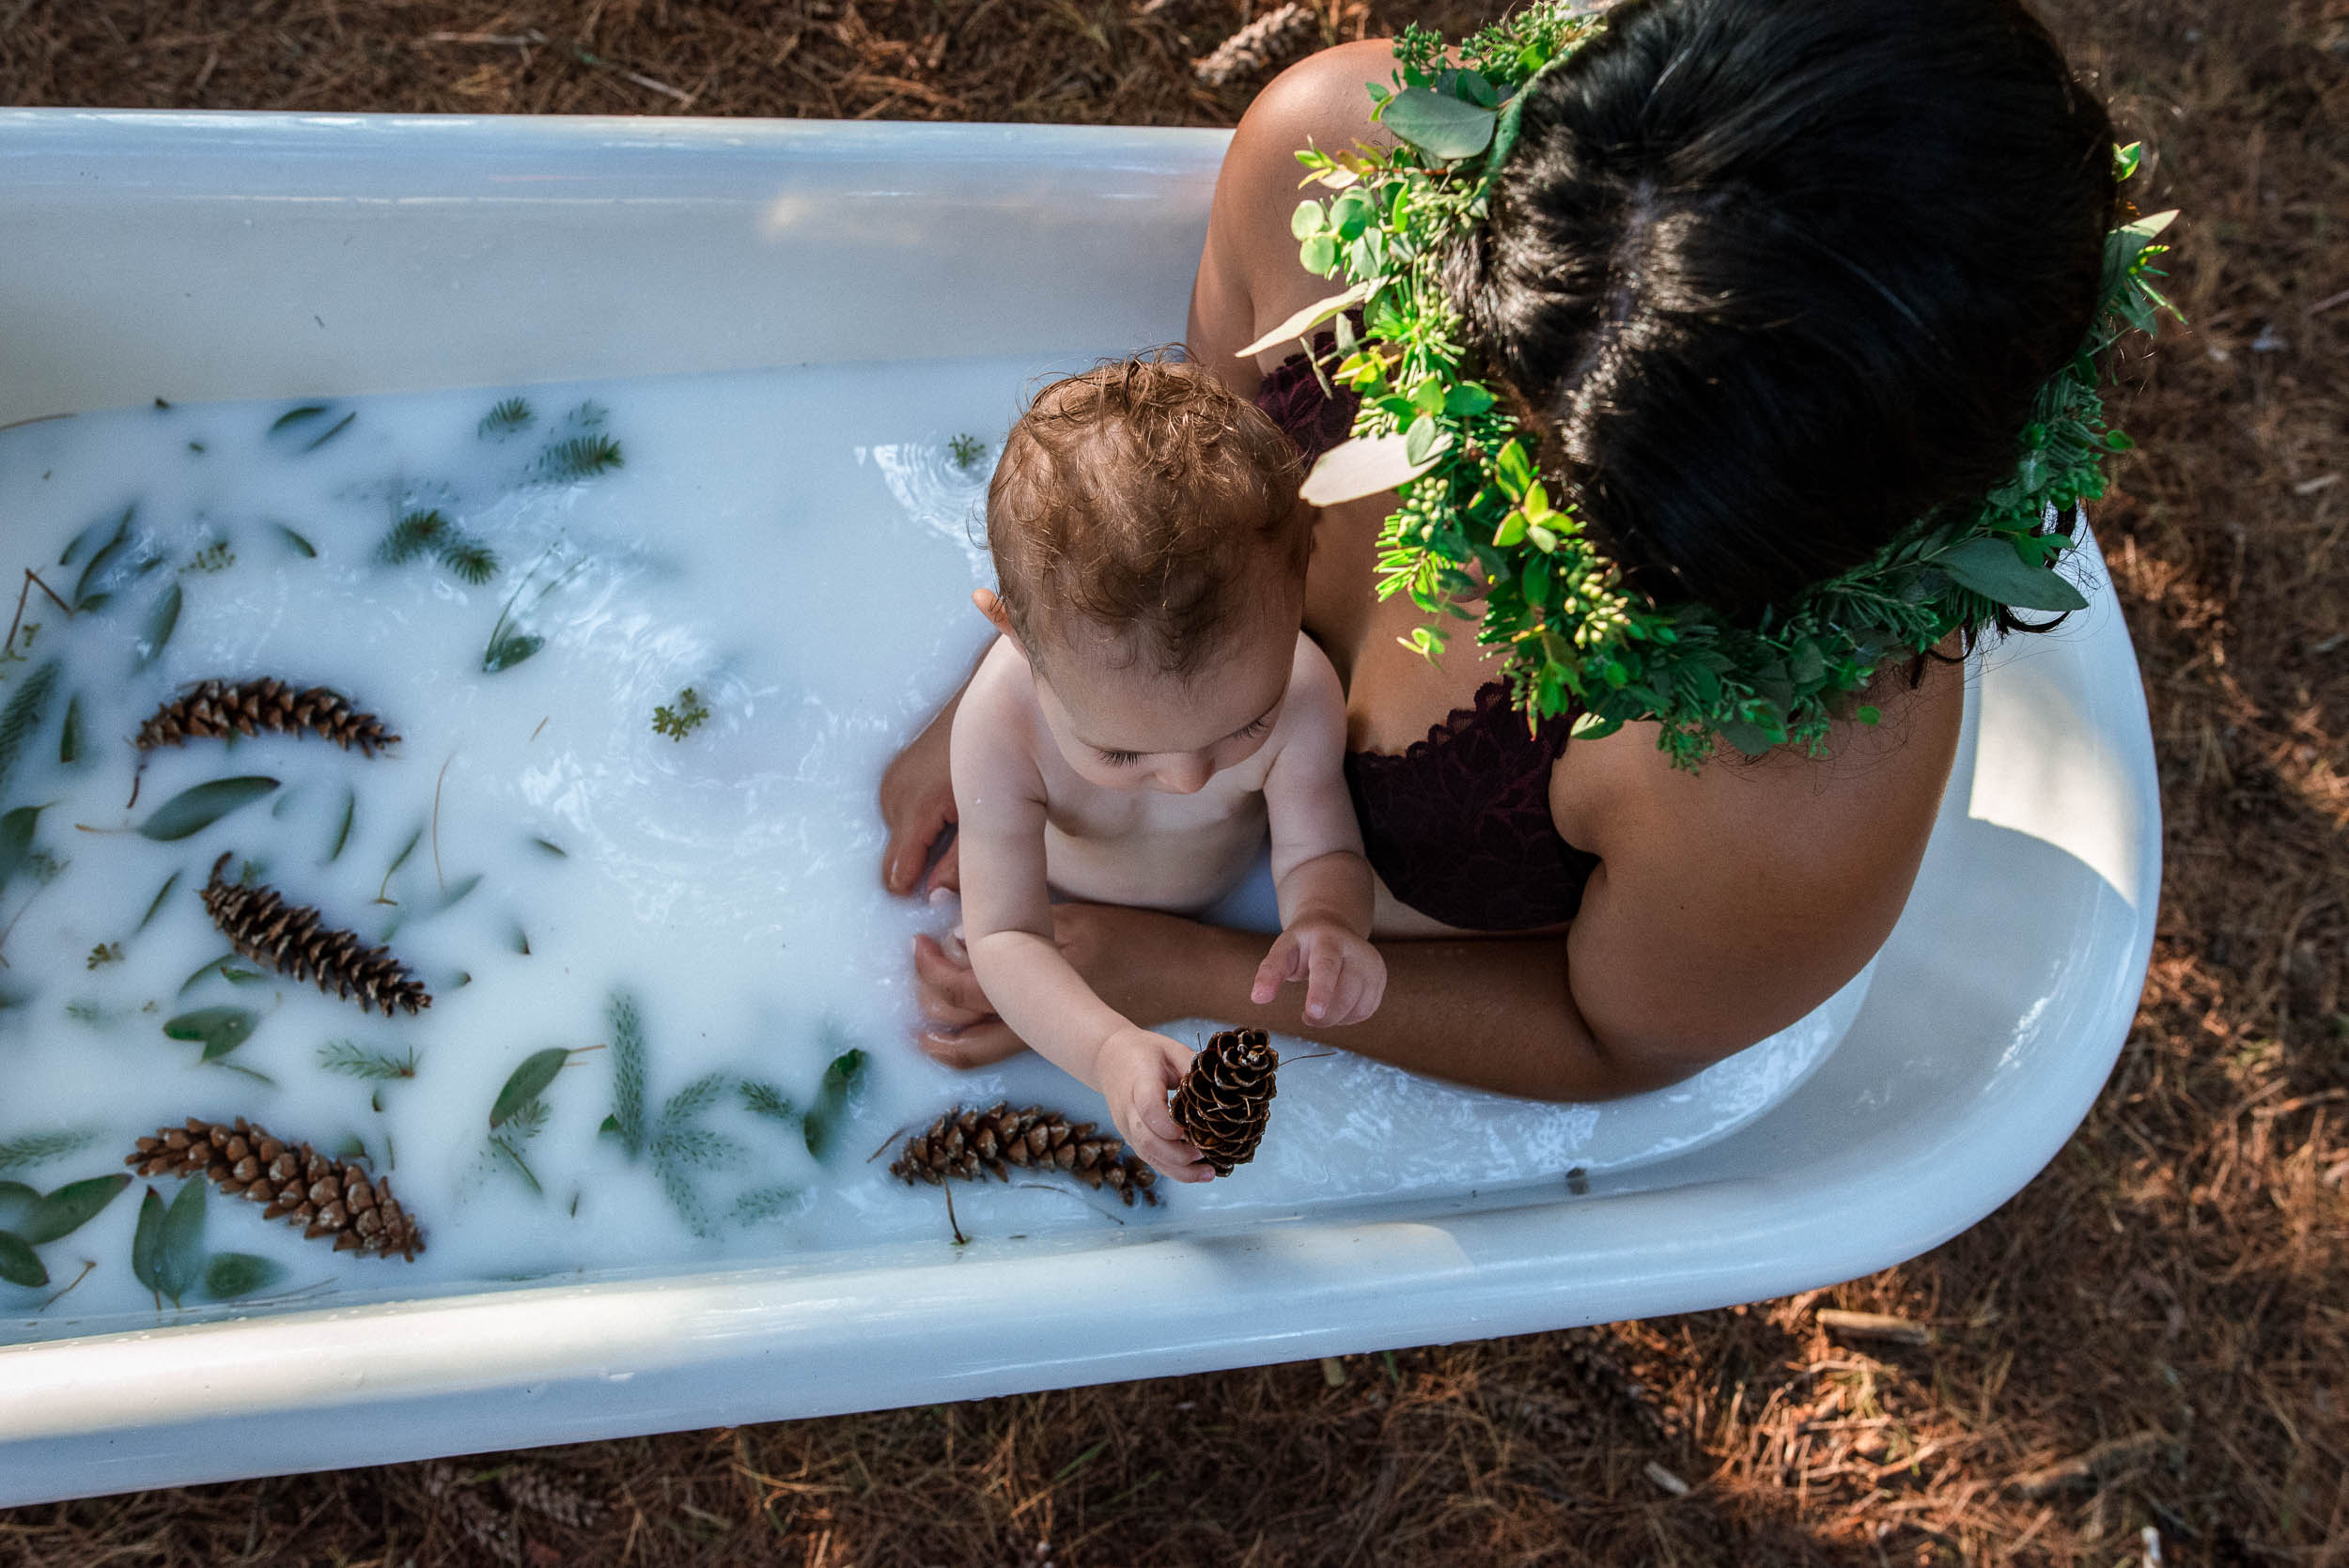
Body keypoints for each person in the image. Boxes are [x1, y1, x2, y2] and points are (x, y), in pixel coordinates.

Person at [882, 0, 2140, 1102]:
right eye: (1497, 394)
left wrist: (1200, 973)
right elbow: (1169, 502)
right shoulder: (1326, 170)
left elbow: (1615, 1043)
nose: (1497, 520)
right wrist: (1039, 688)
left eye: (1614, 532)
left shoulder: (1793, 784)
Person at [943, 358, 1385, 1180]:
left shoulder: (1300, 688)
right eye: (1121, 752)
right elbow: (1006, 933)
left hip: (1234, 906)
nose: (1189, 780)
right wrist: (1105, 1047)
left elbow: (1318, 852)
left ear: (1297, 594)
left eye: (1242, 725)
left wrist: (1326, 921)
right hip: (1063, 905)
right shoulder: (999, 728)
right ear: (1013, 635)